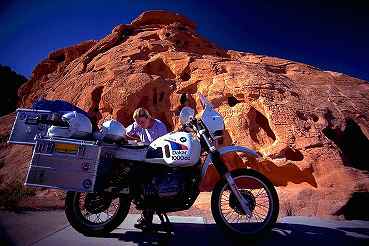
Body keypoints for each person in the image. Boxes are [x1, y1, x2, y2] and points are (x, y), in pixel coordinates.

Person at [126, 107, 168, 230]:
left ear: (148, 117)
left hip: (158, 161)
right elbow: (126, 133)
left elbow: (164, 146)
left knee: (143, 180)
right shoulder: (137, 125)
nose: (140, 125)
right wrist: (135, 139)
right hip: (144, 159)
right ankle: (144, 210)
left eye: (142, 122)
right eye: (138, 122)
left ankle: (146, 214)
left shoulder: (159, 126)